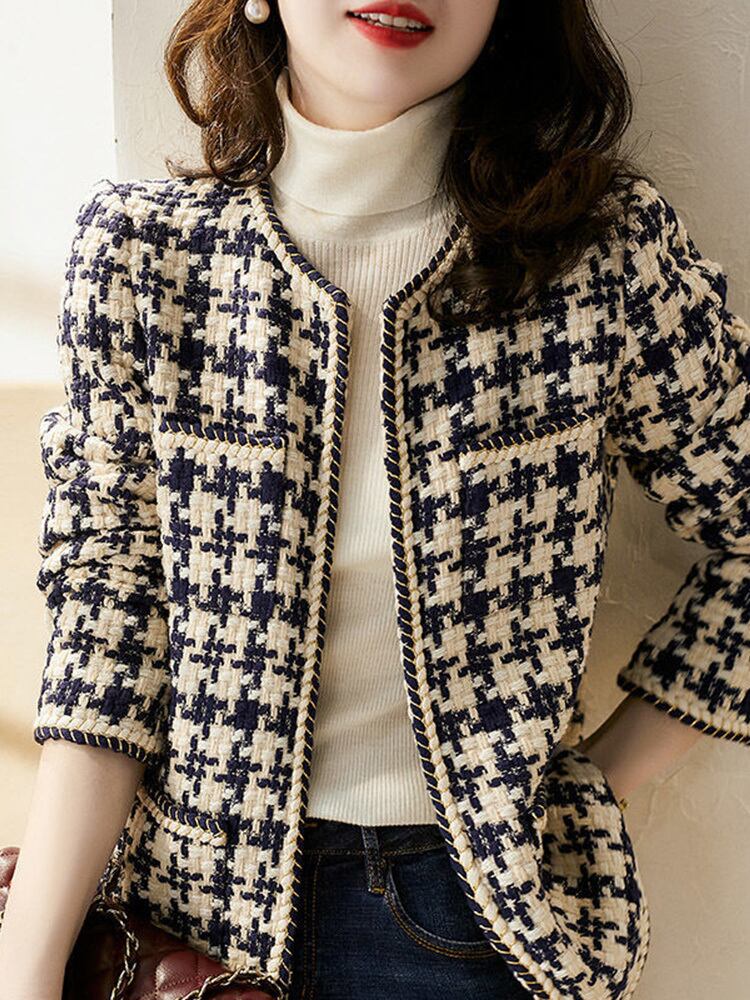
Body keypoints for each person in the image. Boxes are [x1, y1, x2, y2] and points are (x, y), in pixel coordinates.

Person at [1, 1, 748, 998]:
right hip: (190, 936)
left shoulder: (602, 258)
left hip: (475, 926)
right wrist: (29, 966)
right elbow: (108, 636)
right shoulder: (146, 258)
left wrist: (582, 788)